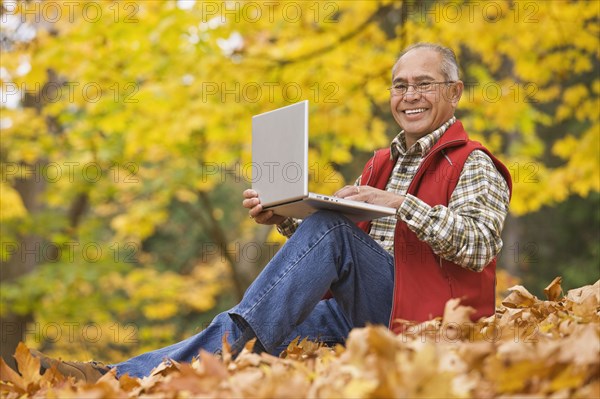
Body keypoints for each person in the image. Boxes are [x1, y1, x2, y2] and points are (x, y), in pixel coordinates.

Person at [32, 43, 511, 382]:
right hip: (362, 315)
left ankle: (116, 375)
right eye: (400, 85)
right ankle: (116, 377)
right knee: (253, 339)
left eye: (423, 84)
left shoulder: (473, 162)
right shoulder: (383, 162)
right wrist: (282, 216)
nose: (409, 96)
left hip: (428, 322)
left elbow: (478, 244)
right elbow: (341, 253)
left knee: (321, 244)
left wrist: (402, 203)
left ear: (455, 91)